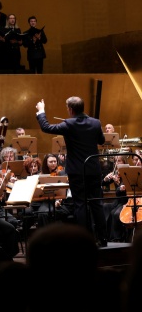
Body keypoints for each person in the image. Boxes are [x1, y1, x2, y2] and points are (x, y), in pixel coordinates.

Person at [36, 96, 108, 246]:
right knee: (97, 203)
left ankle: (84, 241)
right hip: (93, 169)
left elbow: (46, 127)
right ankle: (103, 238)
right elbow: (101, 141)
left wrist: (41, 111)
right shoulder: (96, 123)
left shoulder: (68, 124)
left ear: (70, 109)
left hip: (77, 171)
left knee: (80, 204)